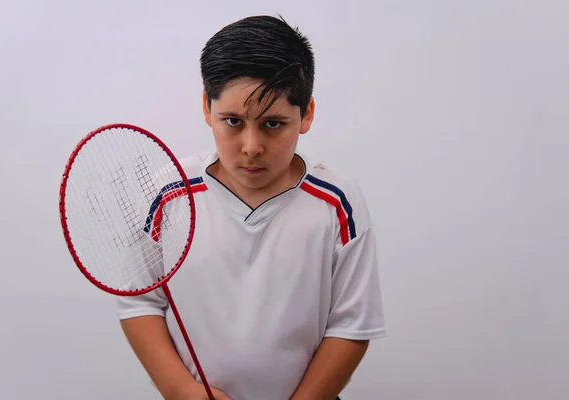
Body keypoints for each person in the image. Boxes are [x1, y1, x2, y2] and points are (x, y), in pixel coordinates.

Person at [116, 15, 386, 400]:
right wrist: (179, 390)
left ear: (306, 114)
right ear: (207, 109)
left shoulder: (336, 202)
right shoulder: (169, 192)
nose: (251, 146)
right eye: (232, 121)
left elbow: (351, 325)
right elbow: (140, 300)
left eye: (273, 124)